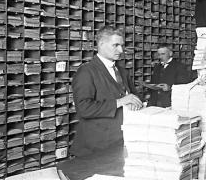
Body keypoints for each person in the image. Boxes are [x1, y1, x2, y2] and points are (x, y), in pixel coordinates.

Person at [71, 25, 143, 157]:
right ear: (101, 44)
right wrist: (120, 102)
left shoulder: (122, 71)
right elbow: (84, 108)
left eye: (121, 45)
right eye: (115, 45)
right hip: (95, 148)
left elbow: (133, 96)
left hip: (120, 142)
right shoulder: (86, 71)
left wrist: (135, 102)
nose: (120, 50)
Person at [148, 44, 194, 108]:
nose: (160, 57)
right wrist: (150, 86)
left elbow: (184, 86)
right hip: (154, 102)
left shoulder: (179, 66)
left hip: (170, 102)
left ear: (170, 53)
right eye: (159, 54)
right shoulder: (157, 67)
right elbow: (153, 82)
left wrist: (170, 88)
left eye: (163, 54)